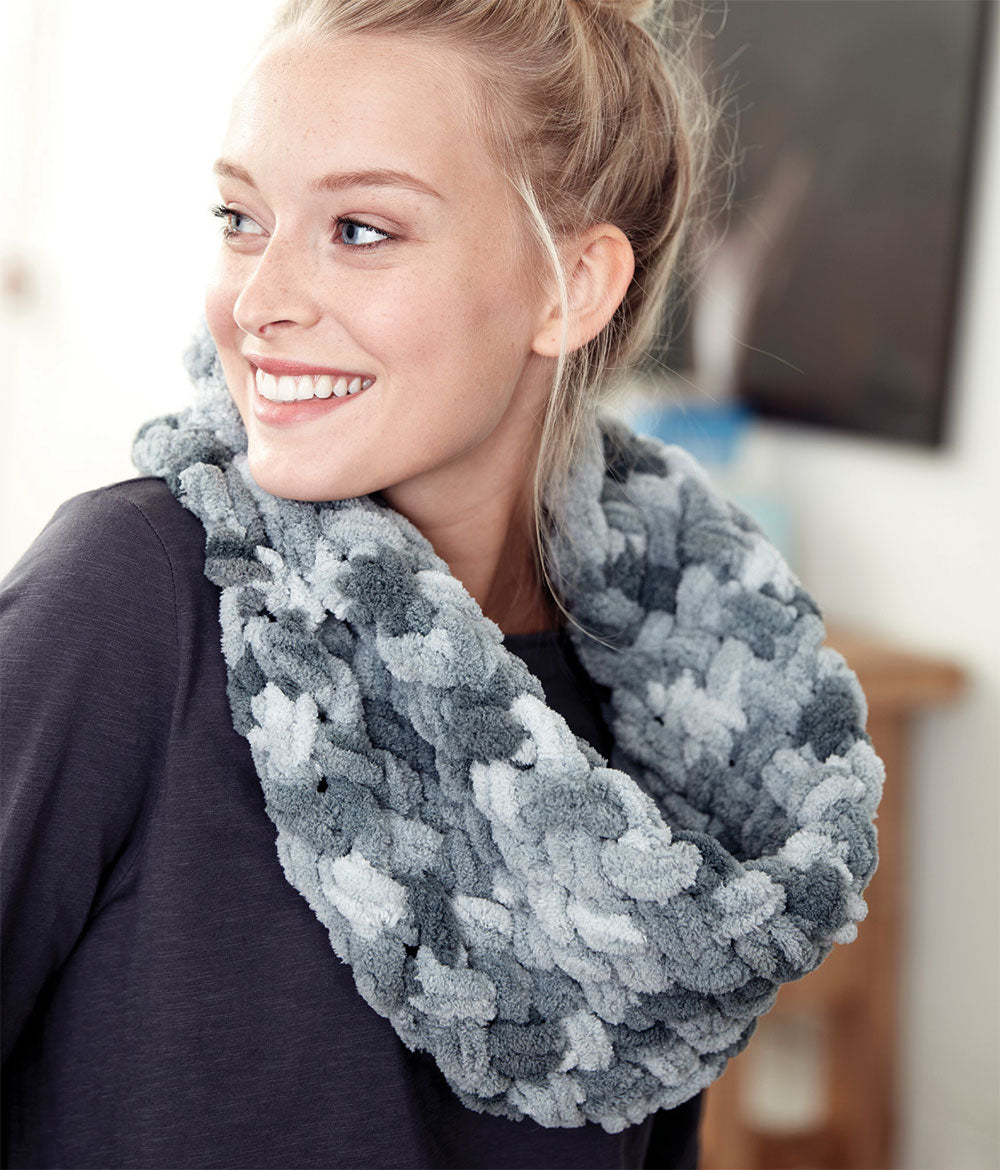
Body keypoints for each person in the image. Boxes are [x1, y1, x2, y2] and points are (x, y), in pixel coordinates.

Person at [0, 1, 883, 1168]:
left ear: (571, 287)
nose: (256, 301)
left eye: (360, 229)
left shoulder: (682, 718)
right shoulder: (130, 601)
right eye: (241, 219)